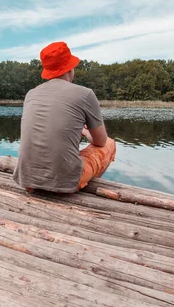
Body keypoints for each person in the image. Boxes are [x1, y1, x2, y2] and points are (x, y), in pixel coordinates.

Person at [13, 41, 116, 193]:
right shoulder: (85, 94)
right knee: (109, 144)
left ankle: (42, 184)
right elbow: (100, 141)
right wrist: (86, 132)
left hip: (27, 179)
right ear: (69, 68)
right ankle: (82, 186)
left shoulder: (31, 94)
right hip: (65, 184)